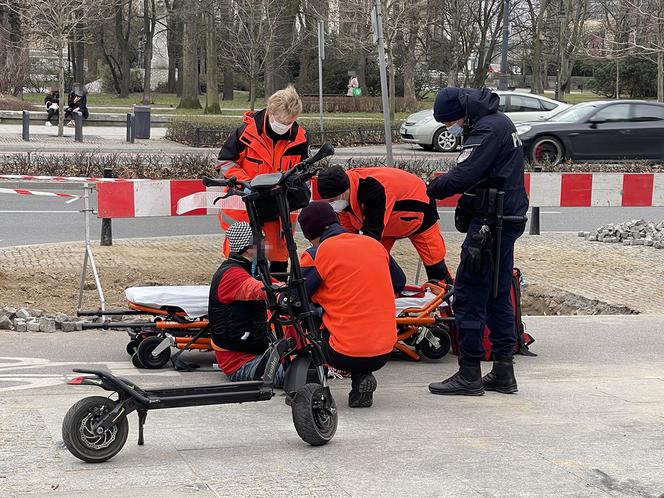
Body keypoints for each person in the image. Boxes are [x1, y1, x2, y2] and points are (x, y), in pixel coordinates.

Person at [426, 87, 529, 396]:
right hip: (505, 220)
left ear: (463, 114)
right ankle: (502, 370)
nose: (449, 129)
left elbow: (465, 174)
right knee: (498, 294)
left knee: (470, 294)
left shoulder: (487, 128)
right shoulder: (500, 122)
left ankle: (469, 372)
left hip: (489, 224)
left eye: (449, 123)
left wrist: (432, 187)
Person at [298, 201, 405, 408]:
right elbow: (399, 281)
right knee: (352, 328)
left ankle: (311, 386)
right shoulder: (374, 245)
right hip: (384, 349)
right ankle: (361, 379)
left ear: (309, 232)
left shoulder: (316, 254)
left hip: (343, 353)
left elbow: (296, 297)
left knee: (307, 319)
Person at [217, 85, 309, 275]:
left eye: (291, 121)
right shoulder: (245, 133)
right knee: (244, 263)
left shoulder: (299, 139)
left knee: (278, 260)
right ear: (270, 112)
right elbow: (225, 162)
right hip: (247, 206)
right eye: (282, 120)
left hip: (280, 209)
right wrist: (247, 182)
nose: (285, 125)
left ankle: (275, 300)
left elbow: (302, 171)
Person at [316, 166, 454, 283]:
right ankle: (391, 291)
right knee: (373, 263)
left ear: (344, 190)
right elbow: (347, 235)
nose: (332, 204)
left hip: (419, 216)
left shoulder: (374, 189)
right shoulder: (344, 198)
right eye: (328, 201)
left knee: (435, 264)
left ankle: (449, 306)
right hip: (385, 225)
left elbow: (371, 237)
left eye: (333, 200)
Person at [208, 222, 285, 385]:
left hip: (257, 351)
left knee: (306, 360)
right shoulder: (232, 274)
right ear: (250, 248)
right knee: (300, 372)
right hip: (240, 363)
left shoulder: (252, 269)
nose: (266, 245)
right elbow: (256, 288)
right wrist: (278, 293)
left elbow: (276, 284)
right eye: (263, 241)